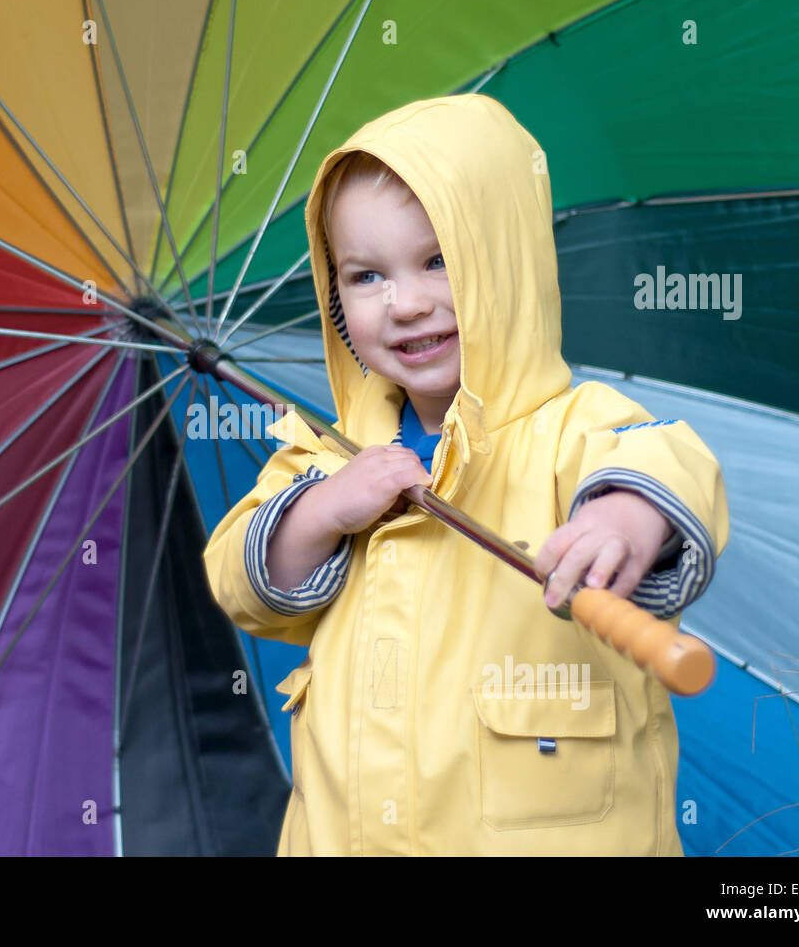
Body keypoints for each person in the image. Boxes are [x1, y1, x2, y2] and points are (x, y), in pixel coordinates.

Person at [201, 94, 730, 856]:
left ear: (505, 260)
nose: (406, 304)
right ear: (335, 298)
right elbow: (240, 579)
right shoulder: (325, 454)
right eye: (366, 276)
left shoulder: (572, 428)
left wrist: (620, 521)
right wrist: (320, 511)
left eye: (438, 261)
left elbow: (662, 460)